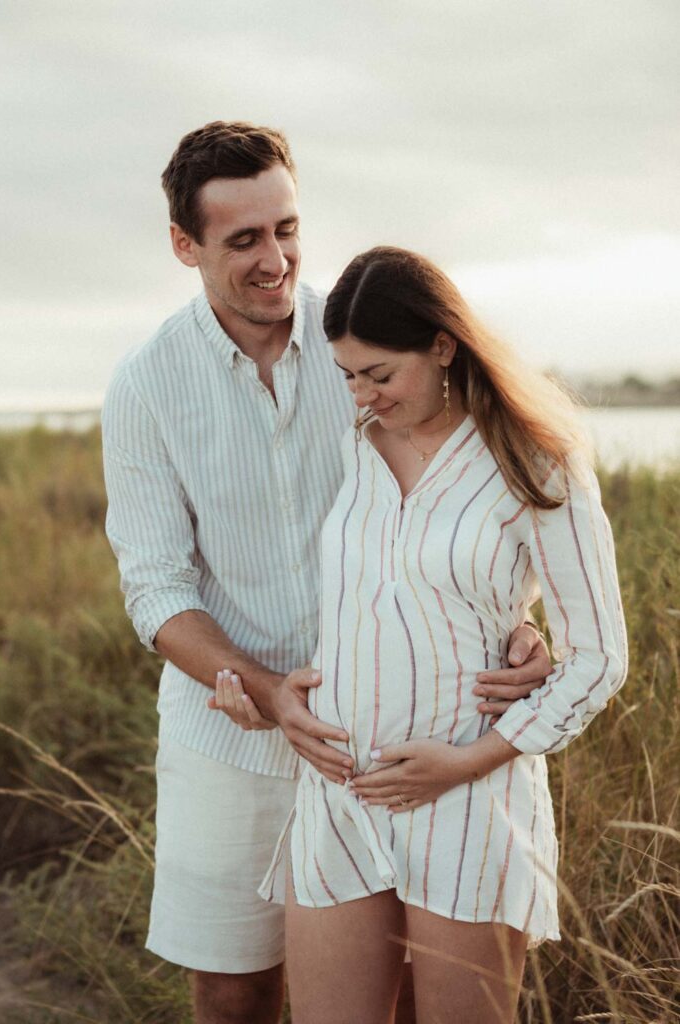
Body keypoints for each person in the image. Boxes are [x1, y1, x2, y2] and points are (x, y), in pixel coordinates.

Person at [101, 123, 552, 1024]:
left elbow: (469, 493)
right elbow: (155, 588)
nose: (275, 260)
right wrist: (265, 691)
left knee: (393, 990)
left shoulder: (364, 345)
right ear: (184, 246)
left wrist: (519, 619)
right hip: (228, 737)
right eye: (243, 240)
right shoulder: (145, 385)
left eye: (287, 229)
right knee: (234, 994)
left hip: (396, 730)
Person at [251, 247, 628, 1024]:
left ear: (442, 347)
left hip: (468, 798)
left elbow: (598, 658)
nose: (362, 394)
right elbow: (369, 593)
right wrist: (288, 680)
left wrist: (469, 760)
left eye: (380, 374)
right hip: (341, 793)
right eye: (347, 375)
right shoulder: (349, 448)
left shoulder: (536, 461)